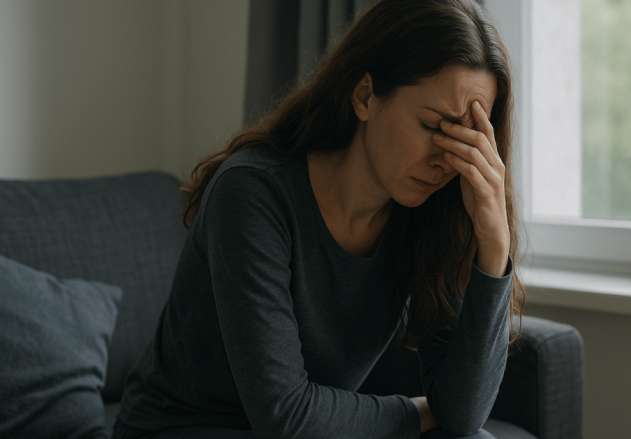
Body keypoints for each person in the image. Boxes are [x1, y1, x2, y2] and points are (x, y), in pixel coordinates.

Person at [112, 0, 527, 438]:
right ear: (365, 96)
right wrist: (413, 412)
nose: (447, 159)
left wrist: (493, 247)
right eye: (434, 126)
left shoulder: (425, 212)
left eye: (467, 139)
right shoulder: (252, 192)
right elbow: (285, 415)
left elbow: (461, 416)